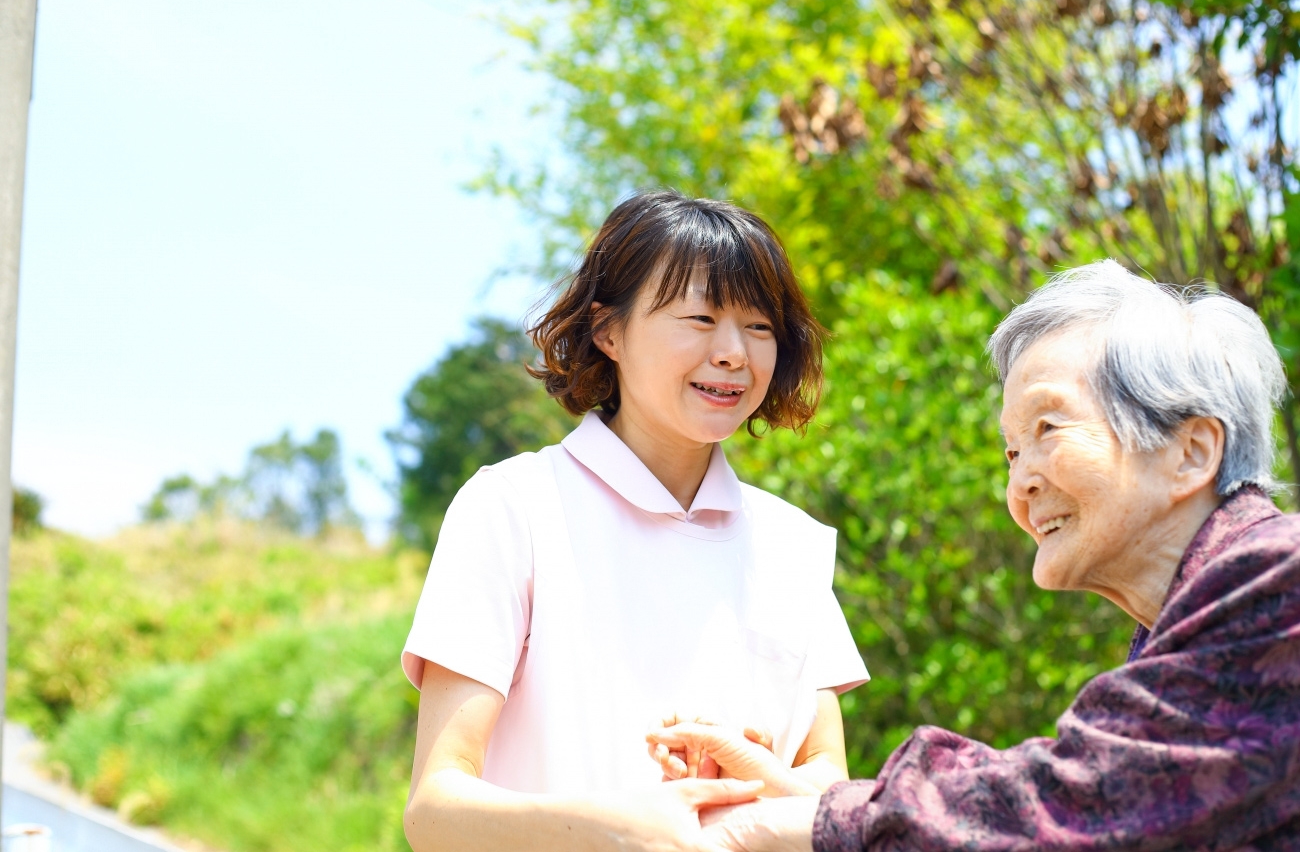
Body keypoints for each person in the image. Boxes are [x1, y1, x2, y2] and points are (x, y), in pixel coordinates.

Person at [652, 261, 1300, 850]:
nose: (1020, 485)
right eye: (1012, 452)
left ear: (1191, 451)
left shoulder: (1277, 580)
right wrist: (805, 798)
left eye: (1047, 429)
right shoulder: (1183, 637)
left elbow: (1069, 804)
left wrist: (754, 830)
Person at [401, 189, 869, 852]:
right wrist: (620, 829)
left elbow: (829, 782)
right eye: (700, 318)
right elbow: (436, 812)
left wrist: (751, 790)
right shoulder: (513, 507)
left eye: (760, 326)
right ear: (608, 331)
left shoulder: (792, 544)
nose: (734, 352)